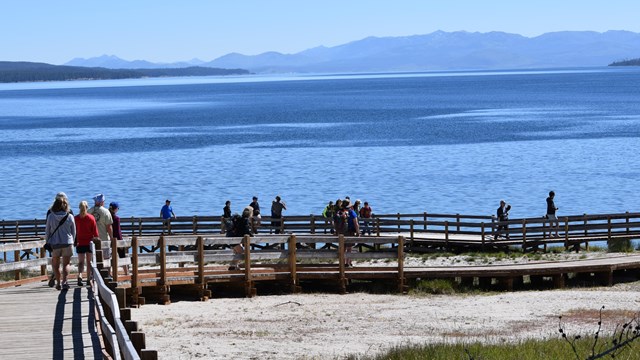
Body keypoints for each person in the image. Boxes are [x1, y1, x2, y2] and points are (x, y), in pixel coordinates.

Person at [46, 197, 76, 290]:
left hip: (55, 244)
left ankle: (58, 283)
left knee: (55, 264)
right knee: (66, 264)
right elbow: (74, 231)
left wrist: (48, 242)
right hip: (67, 242)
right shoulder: (70, 216)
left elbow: (47, 231)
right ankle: (65, 282)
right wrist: (73, 241)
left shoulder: (51, 216)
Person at [74, 200, 98, 287]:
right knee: (89, 261)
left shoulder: (75, 218)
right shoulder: (91, 218)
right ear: (87, 207)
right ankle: (88, 279)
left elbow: (73, 232)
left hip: (79, 242)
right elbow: (95, 233)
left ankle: (80, 275)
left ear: (79, 208)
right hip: (89, 243)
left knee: (80, 262)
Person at [227, 206, 254, 270]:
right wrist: (252, 236)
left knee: (237, 253)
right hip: (234, 239)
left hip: (231, 236)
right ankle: (232, 266)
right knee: (241, 252)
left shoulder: (240, 218)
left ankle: (235, 266)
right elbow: (245, 231)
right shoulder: (245, 220)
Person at [89, 194, 114, 261]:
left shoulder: (89, 211)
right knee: (106, 259)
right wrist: (111, 238)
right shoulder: (106, 212)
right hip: (104, 239)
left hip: (92, 239)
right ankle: (107, 271)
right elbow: (109, 227)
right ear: (102, 202)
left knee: (94, 260)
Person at [109, 202, 129, 275]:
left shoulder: (107, 217)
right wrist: (121, 242)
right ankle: (126, 272)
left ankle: (109, 272)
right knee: (122, 256)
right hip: (116, 239)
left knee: (109, 257)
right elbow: (118, 231)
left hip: (109, 239)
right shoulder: (116, 218)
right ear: (116, 209)